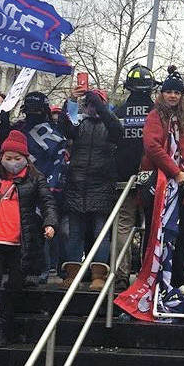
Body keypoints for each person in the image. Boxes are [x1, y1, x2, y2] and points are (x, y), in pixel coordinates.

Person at [0, 130, 57, 346]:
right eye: (8, 158)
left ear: (25, 159)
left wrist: (49, 222)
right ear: (1, 157)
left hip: (20, 242)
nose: (12, 163)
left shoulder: (35, 178)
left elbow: (47, 202)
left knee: (14, 287)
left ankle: (3, 328)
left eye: (17, 159)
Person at [141, 67, 184, 295]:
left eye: (177, 93)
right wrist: (175, 171)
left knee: (183, 233)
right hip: (162, 184)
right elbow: (152, 147)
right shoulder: (155, 116)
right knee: (156, 231)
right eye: (169, 92)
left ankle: (178, 279)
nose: (173, 96)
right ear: (162, 94)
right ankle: (151, 275)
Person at [59, 86, 122, 290]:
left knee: (100, 232)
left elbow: (116, 129)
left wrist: (99, 104)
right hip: (77, 184)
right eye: (89, 104)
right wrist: (71, 100)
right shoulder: (80, 124)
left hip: (101, 185)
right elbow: (64, 126)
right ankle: (72, 274)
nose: (92, 108)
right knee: (74, 232)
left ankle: (98, 275)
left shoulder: (111, 125)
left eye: (96, 103)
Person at [11, 91, 68, 283]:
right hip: (21, 187)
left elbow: (59, 162)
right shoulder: (17, 130)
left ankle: (48, 269)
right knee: (26, 229)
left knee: (47, 228)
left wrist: (51, 188)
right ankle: (26, 269)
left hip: (45, 188)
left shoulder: (56, 133)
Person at [112, 64, 156, 293]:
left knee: (123, 225)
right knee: (152, 224)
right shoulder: (157, 112)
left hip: (123, 178)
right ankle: (147, 272)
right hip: (152, 179)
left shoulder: (118, 112)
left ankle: (120, 274)